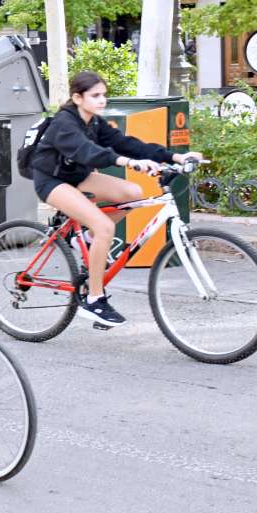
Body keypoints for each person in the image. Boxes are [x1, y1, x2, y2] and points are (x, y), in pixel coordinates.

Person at [29, 70, 203, 327]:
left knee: (133, 193)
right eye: (95, 95)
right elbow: (88, 152)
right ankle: (94, 298)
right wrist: (129, 163)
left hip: (78, 177)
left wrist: (176, 157)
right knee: (105, 227)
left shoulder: (94, 122)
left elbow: (128, 143)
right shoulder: (64, 123)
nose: (102, 100)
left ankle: (86, 239)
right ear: (77, 98)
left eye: (104, 95)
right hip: (52, 181)